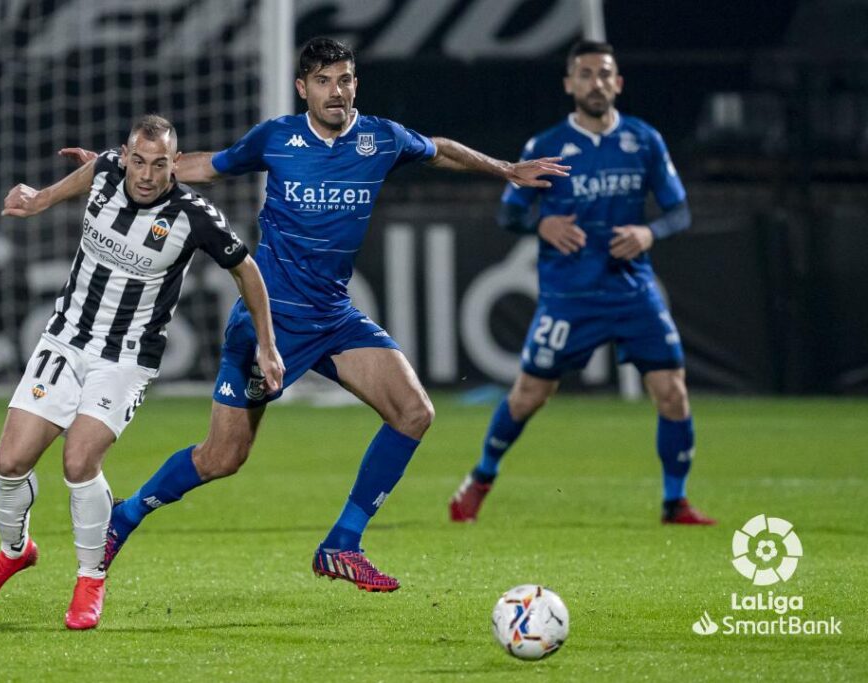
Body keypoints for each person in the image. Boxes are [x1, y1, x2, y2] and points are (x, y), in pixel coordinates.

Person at [60, 37, 568, 592]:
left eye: (344, 79)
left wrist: (505, 168)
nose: (336, 91)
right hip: (271, 321)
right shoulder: (277, 138)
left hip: (333, 317)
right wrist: (120, 169)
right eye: (323, 81)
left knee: (414, 412)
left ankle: (342, 544)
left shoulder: (380, 138)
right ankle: (125, 517)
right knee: (222, 457)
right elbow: (206, 166)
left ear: (355, 84)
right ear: (303, 88)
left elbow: (439, 150)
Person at [0, 115, 283, 630]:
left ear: (176, 164)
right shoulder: (107, 169)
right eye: (139, 161)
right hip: (65, 338)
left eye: (160, 164)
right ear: (125, 156)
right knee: (9, 461)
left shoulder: (194, 216)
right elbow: (90, 173)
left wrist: (267, 346)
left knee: (78, 461)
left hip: (125, 359)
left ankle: (91, 578)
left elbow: (247, 271)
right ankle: (15, 552)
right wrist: (42, 198)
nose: (148, 175)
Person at [448, 40, 715, 526]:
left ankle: (675, 502)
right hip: (569, 296)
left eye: (605, 73)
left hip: (632, 291)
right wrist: (542, 224)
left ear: (618, 82)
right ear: (570, 84)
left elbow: (679, 211)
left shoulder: (644, 140)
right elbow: (509, 213)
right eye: (586, 74)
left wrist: (649, 233)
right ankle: (481, 477)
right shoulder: (545, 146)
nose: (596, 82)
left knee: (672, 392)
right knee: (529, 396)